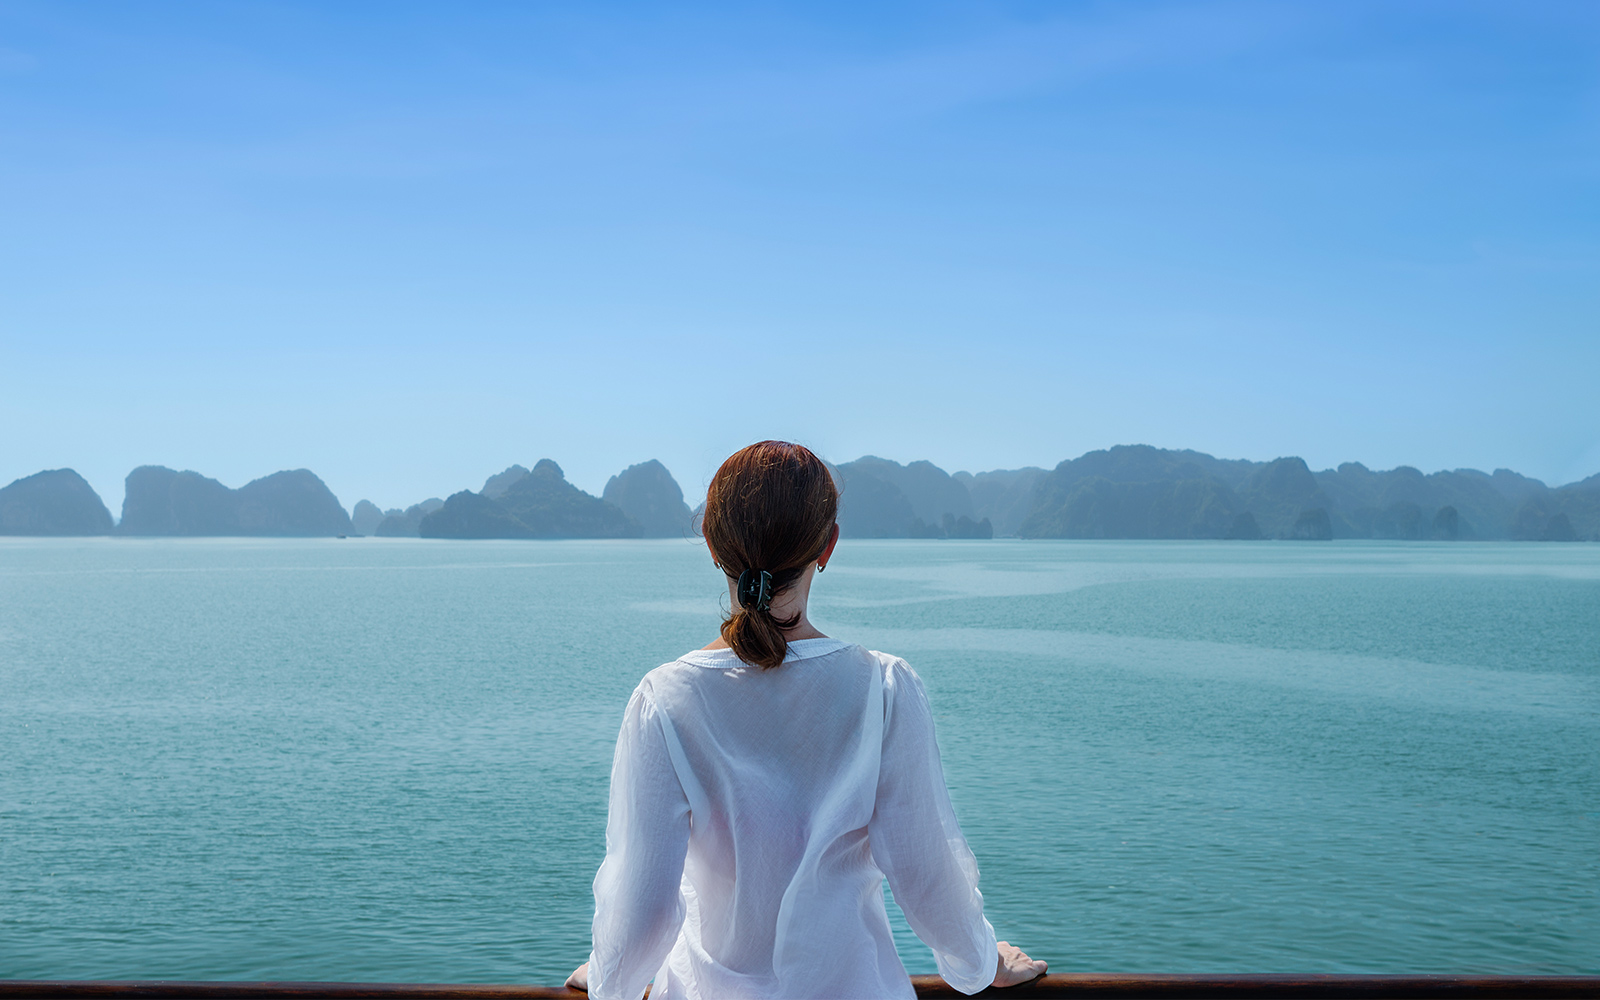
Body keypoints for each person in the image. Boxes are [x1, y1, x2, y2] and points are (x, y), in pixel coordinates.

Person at [567, 441, 1046, 1000]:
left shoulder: (665, 699)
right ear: (828, 546)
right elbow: (927, 877)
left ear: (711, 545)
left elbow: (643, 913)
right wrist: (980, 963)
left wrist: (611, 977)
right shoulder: (884, 688)